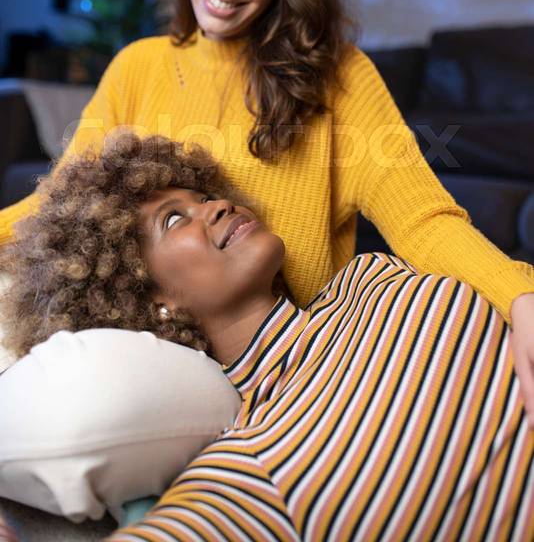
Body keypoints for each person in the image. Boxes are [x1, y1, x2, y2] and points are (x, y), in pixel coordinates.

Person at [0, 0, 533, 419]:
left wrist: (519, 295)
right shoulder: (139, 66)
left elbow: (422, 219)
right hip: (160, 366)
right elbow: (57, 209)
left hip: (293, 383)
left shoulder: (340, 76)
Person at [0, 131, 532, 542]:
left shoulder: (371, 277)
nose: (216, 206)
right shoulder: (252, 460)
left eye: (203, 195)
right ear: (149, 298)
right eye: (173, 220)